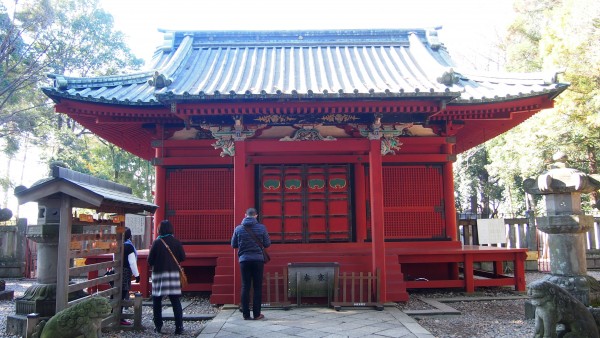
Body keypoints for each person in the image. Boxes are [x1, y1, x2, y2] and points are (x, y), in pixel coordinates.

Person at [231, 207, 271, 320]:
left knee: (245, 286)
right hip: (258, 260)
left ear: (245, 215)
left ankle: (246, 314)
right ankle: (257, 314)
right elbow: (267, 243)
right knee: (257, 287)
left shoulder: (238, 229)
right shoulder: (262, 228)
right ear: (256, 215)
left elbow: (233, 245)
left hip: (244, 260)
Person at [148, 219, 186, 334]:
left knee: (157, 300)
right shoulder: (176, 241)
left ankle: (158, 325)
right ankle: (179, 327)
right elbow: (182, 257)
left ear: (159, 229)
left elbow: (150, 260)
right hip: (173, 273)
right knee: (175, 300)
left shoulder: (157, 242)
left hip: (159, 274)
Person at [120, 227, 140, 326]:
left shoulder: (118, 244)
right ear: (129, 236)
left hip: (116, 270)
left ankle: (112, 314)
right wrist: (137, 275)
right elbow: (132, 262)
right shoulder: (129, 246)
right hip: (125, 271)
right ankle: (119, 317)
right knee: (123, 294)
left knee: (116, 293)